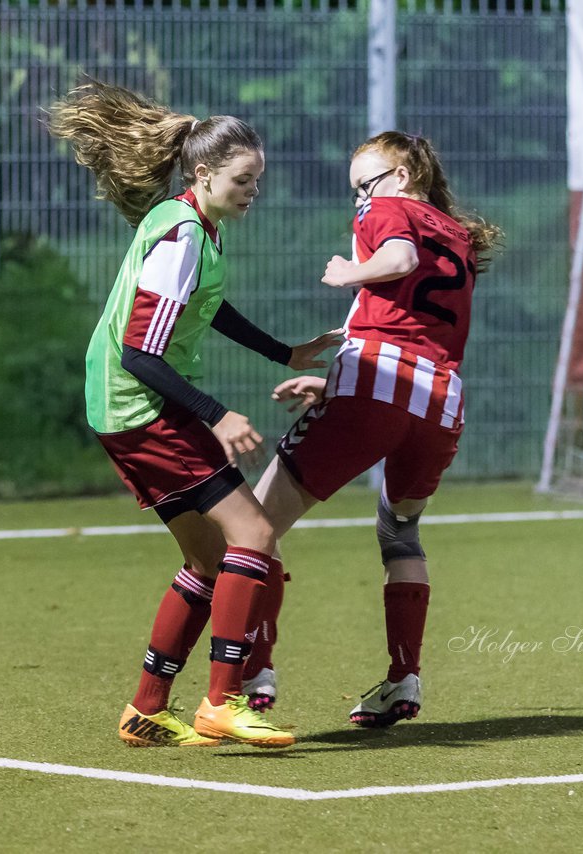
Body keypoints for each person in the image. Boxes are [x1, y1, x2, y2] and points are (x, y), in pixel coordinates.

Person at [46, 80, 341, 748]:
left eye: (257, 182)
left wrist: (286, 351)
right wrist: (216, 415)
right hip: (140, 404)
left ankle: (147, 709)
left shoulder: (189, 224)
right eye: (243, 180)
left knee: (209, 559)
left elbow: (206, 309)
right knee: (254, 539)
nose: (252, 193)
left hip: (119, 406)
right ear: (203, 173)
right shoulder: (183, 236)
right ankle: (223, 701)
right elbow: (141, 352)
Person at [241, 131, 503, 727]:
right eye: (357, 190)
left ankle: (252, 672)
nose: (362, 199)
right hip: (438, 403)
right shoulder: (456, 236)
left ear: (404, 178)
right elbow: (410, 326)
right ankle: (403, 678)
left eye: (369, 183)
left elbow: (400, 263)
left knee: (253, 523)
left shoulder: (390, 213)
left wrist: (350, 272)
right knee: (400, 531)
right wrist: (336, 379)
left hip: (380, 386)